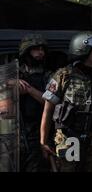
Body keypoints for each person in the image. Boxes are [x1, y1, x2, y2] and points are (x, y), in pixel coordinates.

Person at [40, 32, 92, 172]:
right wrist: (43, 141)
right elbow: (48, 108)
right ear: (84, 50)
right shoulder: (64, 75)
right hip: (69, 138)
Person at [17, 34, 52, 172]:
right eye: (36, 49)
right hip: (17, 134)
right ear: (26, 51)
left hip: (39, 133)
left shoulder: (48, 75)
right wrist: (12, 85)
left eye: (42, 49)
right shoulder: (14, 73)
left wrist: (29, 90)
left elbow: (50, 102)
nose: (40, 52)